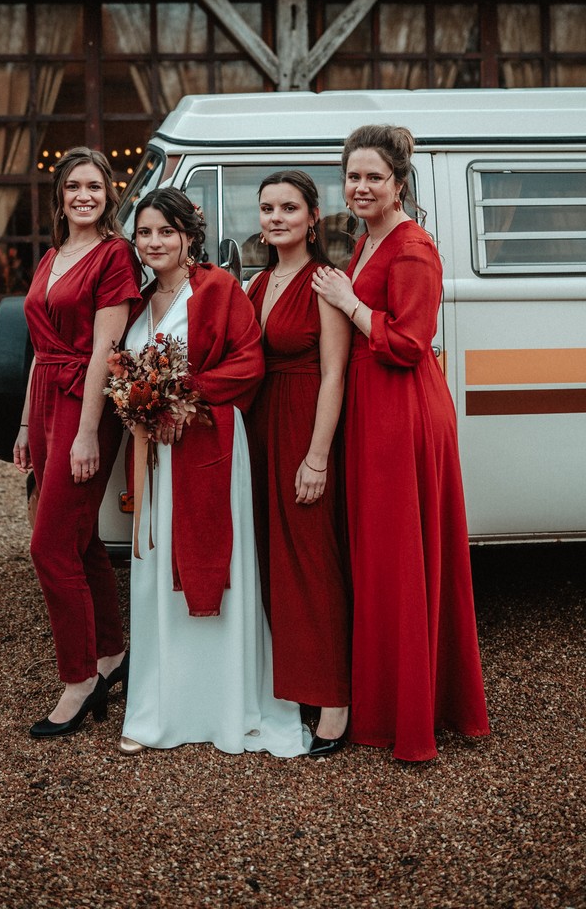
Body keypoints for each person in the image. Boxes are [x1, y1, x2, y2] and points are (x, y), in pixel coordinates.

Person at [312, 125, 490, 762]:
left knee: (397, 558)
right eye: (353, 177)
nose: (361, 187)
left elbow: (411, 343)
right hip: (374, 407)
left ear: (399, 183)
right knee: (380, 556)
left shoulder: (412, 248)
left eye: (374, 178)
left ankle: (409, 716)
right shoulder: (369, 239)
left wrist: (345, 300)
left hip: (402, 410)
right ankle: (388, 697)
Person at [118, 188, 308, 757]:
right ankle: (161, 709)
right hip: (154, 458)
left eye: (165, 233)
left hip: (209, 451)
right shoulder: (140, 301)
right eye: (144, 233)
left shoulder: (219, 289)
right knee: (155, 572)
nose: (154, 242)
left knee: (211, 565)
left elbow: (249, 362)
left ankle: (225, 704)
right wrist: (140, 403)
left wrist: (182, 397)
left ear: (188, 236)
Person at [13, 146, 141, 738]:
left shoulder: (115, 256)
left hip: (85, 400)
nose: (84, 196)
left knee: (49, 546)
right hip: (44, 398)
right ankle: (110, 653)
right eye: (73, 187)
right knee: (79, 536)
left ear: (109, 194)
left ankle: (79, 678)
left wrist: (87, 430)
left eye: (94, 186)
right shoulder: (49, 257)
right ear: (60, 197)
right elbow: (40, 348)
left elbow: (103, 354)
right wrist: (22, 426)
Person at [245, 171, 351, 758]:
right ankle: (293, 686)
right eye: (267, 208)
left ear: (314, 218)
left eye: (289, 208)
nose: (276, 217)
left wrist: (317, 456)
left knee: (312, 559)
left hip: (304, 424)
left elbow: (335, 371)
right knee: (271, 561)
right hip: (260, 428)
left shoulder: (324, 282)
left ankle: (334, 699)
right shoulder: (257, 283)